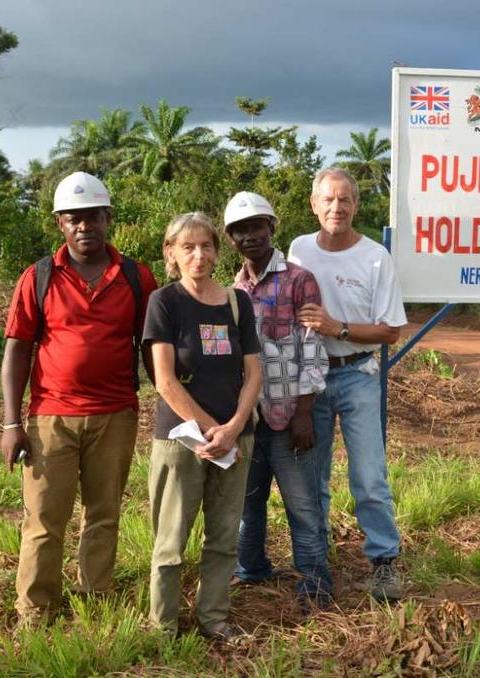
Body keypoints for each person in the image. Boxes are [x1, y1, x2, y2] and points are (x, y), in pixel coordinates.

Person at [0, 171, 159, 625]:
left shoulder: (135, 276)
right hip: (51, 417)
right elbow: (17, 349)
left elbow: (152, 346)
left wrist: (171, 400)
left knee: (104, 515)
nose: (85, 226)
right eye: (75, 218)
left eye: (93, 217)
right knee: (44, 522)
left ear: (108, 219)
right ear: (60, 224)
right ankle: (35, 611)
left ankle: (96, 600)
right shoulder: (39, 277)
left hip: (116, 414)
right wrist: (12, 425)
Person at [287, 167, 408, 602]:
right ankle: (316, 562)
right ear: (313, 204)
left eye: (345, 200)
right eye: (328, 200)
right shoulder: (299, 250)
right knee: (311, 475)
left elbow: (391, 330)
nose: (336, 208)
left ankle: (383, 561)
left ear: (356, 206)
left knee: (369, 474)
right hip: (312, 377)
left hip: (358, 373)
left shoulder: (375, 257)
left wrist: (337, 328)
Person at [145, 212, 262, 642]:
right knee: (171, 542)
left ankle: (214, 618)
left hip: (234, 440)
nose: (199, 255)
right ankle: (164, 628)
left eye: (206, 246)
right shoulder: (165, 302)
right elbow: (164, 381)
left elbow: (253, 374)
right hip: (183, 442)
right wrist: (214, 430)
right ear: (171, 253)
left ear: (217, 250)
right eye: (188, 247)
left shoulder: (237, 302)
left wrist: (233, 429)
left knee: (224, 536)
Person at [223, 191, 333, 612]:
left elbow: (312, 345)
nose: (249, 236)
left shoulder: (298, 279)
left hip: (290, 416)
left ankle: (315, 583)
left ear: (272, 227)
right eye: (240, 230)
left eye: (256, 227)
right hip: (248, 420)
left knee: (302, 505)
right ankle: (251, 569)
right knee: (248, 504)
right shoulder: (232, 290)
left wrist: (305, 411)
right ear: (231, 238)